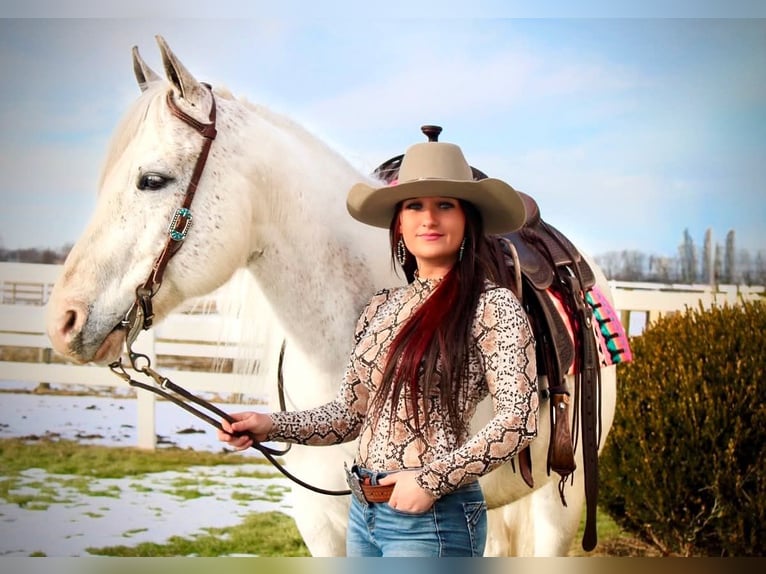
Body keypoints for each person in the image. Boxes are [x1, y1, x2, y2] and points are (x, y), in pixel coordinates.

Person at [217, 127, 539, 557]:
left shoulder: (491, 306)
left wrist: (430, 481)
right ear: (399, 223)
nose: (429, 219)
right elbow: (351, 415)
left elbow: (519, 420)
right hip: (366, 513)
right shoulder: (381, 309)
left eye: (446, 205)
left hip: (433, 518)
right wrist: (270, 424)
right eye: (414, 206)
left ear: (468, 219)